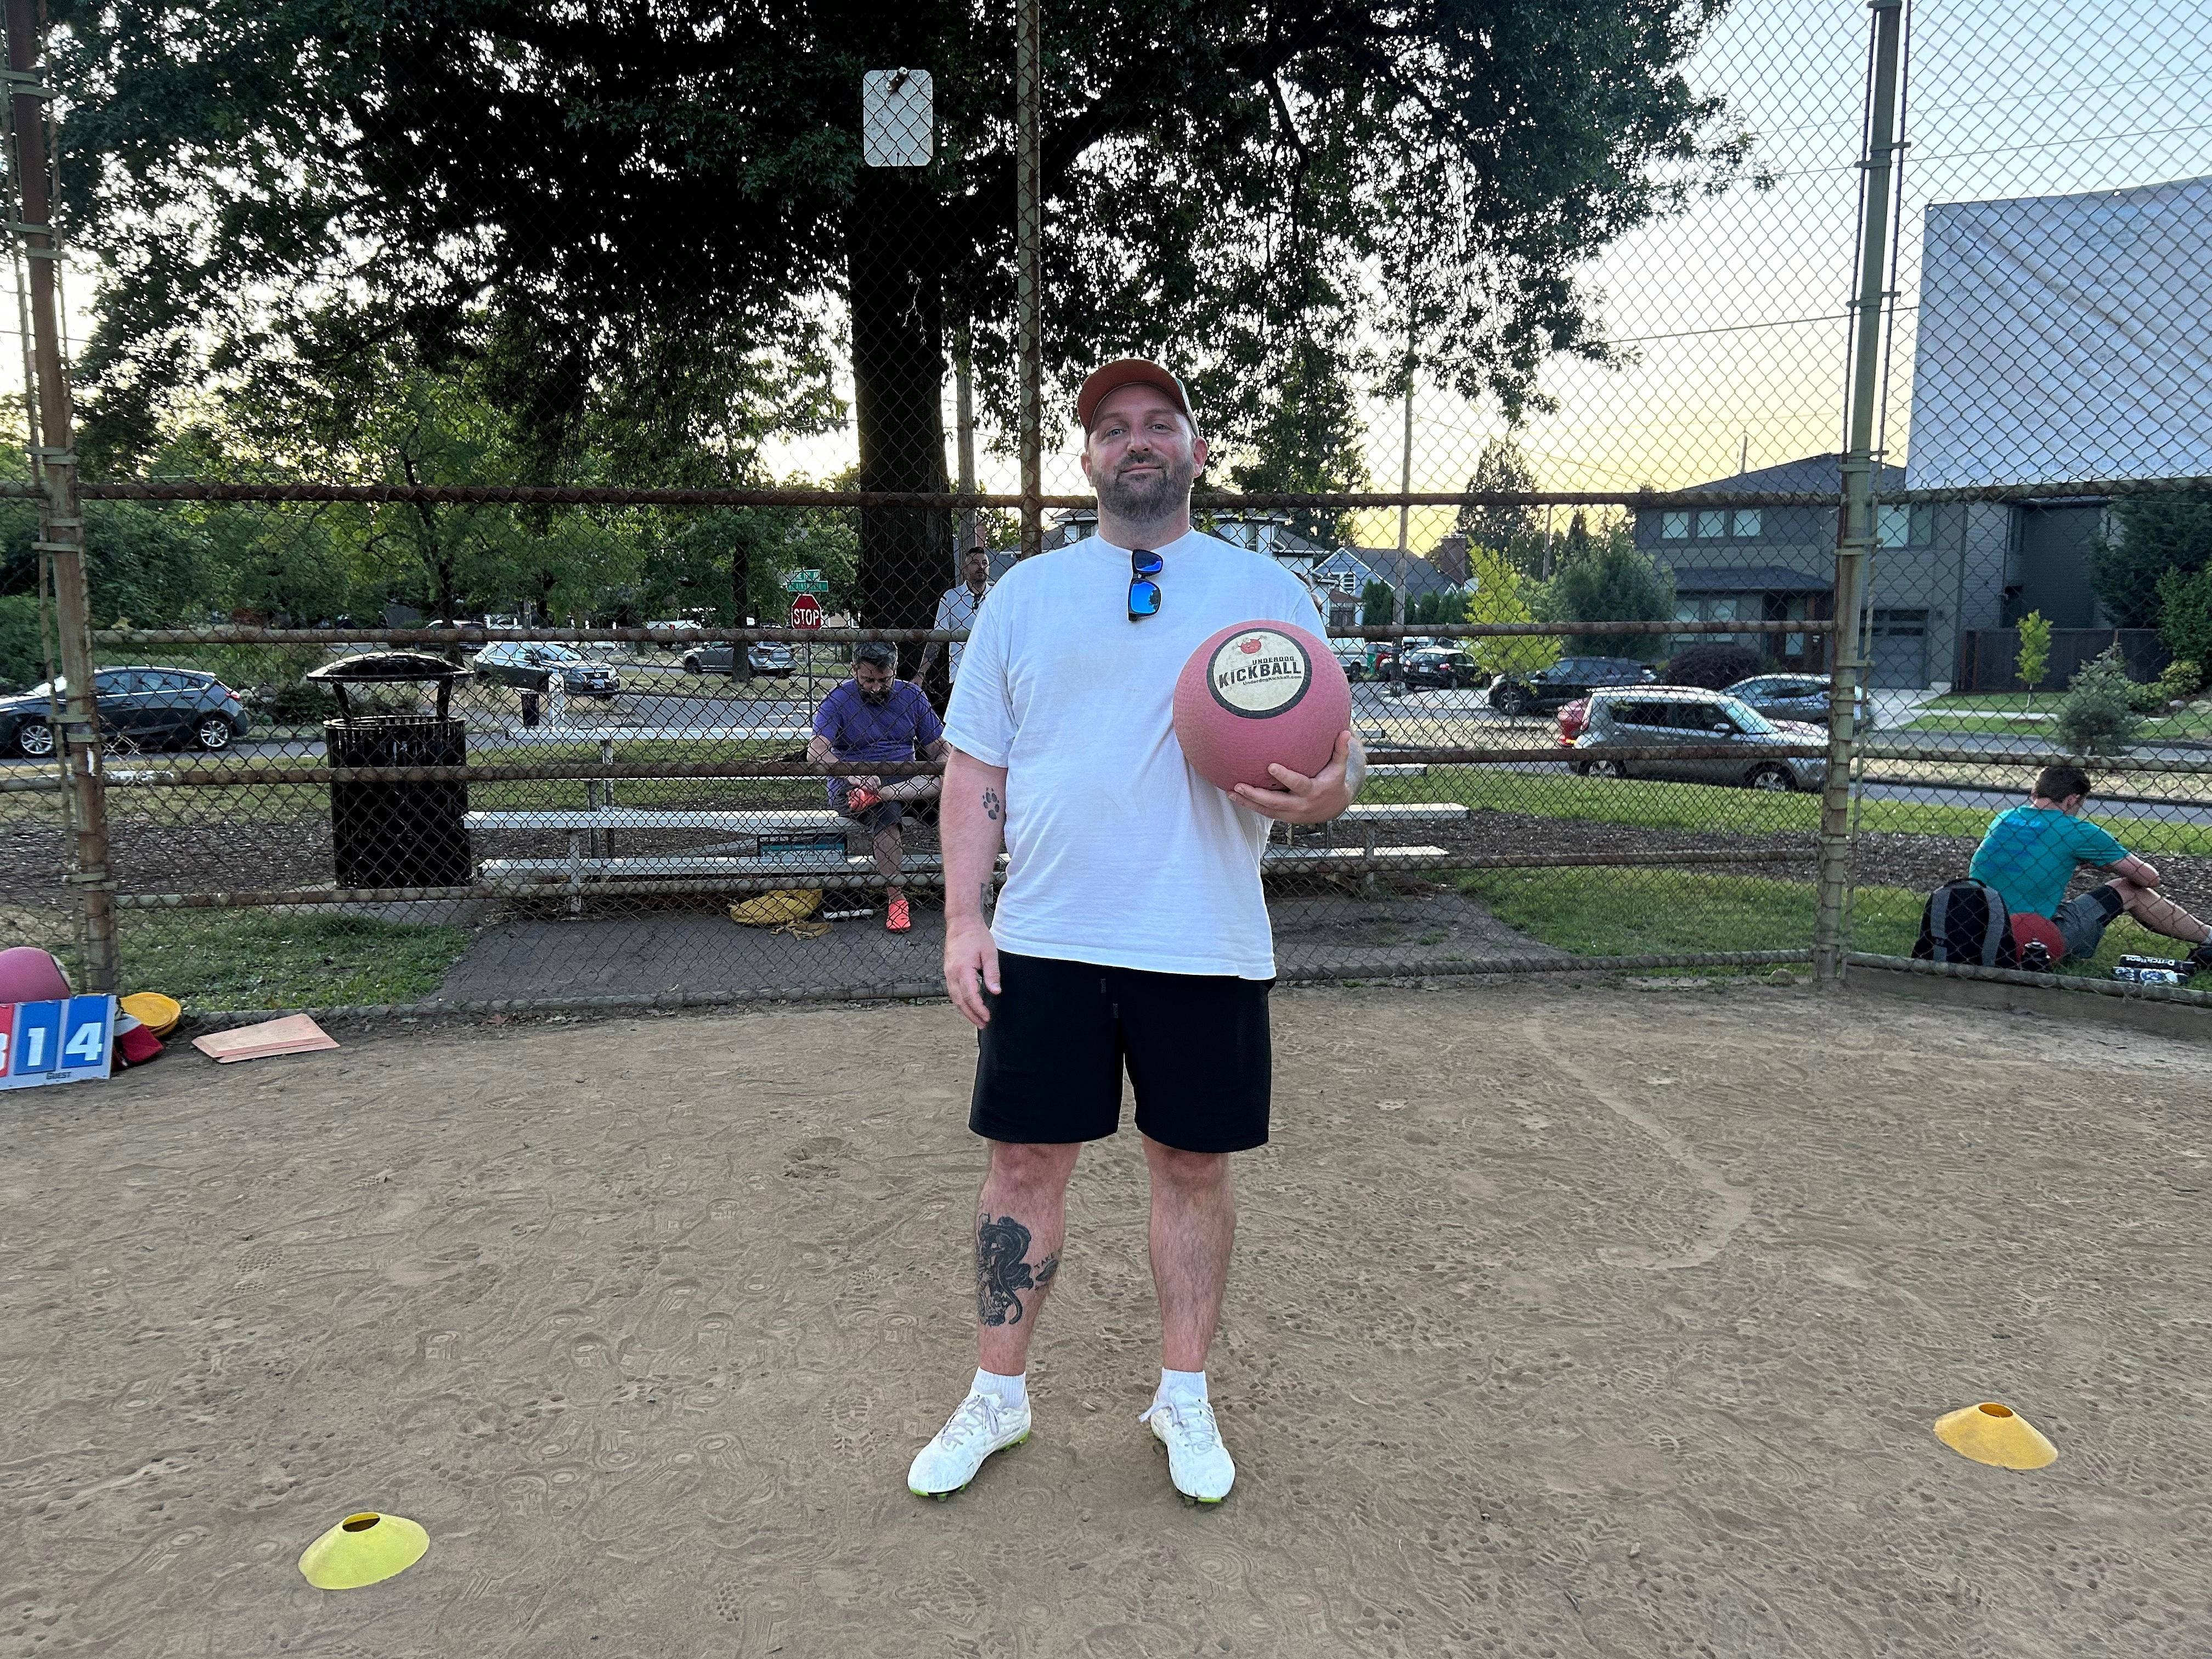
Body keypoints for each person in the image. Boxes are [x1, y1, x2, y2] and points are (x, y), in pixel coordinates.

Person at [904, 359, 1364, 1506]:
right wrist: (965, 918)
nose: (1137, 441)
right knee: (1023, 1162)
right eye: (1114, 429)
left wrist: (1330, 794)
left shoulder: (1268, 592)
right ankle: (998, 1395)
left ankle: (1184, 1395)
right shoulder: (1025, 596)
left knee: (1192, 1164)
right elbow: (974, 772)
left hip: (1201, 934)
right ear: (1089, 460)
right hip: (1050, 933)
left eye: (1161, 423)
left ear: (1198, 451)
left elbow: (1339, 749)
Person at [1968, 762, 2212, 968]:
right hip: (2033, 940)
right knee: (2130, 889)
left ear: (2035, 794)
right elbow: (2149, 878)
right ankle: (2209, 938)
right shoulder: (2077, 831)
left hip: (1978, 930)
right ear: (2072, 800)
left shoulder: (2005, 818)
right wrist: (2106, 865)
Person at [808, 642, 947, 934]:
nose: (875, 688)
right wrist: (855, 776)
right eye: (868, 680)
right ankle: (896, 899)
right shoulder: (838, 700)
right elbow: (817, 751)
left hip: (908, 782)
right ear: (854, 670)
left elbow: (938, 751)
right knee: (887, 815)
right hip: (855, 784)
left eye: (884, 681)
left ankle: (967, 890)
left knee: (955, 795)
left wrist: (948, 762)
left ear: (895, 670)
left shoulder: (912, 696)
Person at [912, 539, 992, 697]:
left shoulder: (997, 596)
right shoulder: (951, 598)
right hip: (962, 675)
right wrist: (921, 673)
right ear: (965, 569)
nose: (981, 567)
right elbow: (937, 638)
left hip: (992, 674)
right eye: (975, 563)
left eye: (985, 563)